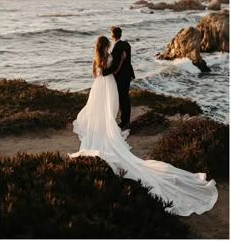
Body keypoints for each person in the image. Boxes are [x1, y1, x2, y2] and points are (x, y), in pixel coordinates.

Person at [68, 35, 218, 217]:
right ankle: (110, 129)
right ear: (106, 45)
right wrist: (122, 61)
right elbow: (111, 73)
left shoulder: (96, 58)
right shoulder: (109, 57)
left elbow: (96, 74)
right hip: (108, 86)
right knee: (108, 111)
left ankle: (103, 130)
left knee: (100, 111)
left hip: (97, 87)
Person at [102, 26, 135, 129]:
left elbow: (115, 66)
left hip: (121, 77)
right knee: (126, 98)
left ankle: (124, 121)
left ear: (112, 35)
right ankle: (126, 120)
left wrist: (104, 72)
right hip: (128, 75)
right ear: (120, 34)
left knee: (122, 98)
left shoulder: (117, 48)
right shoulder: (127, 44)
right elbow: (127, 61)